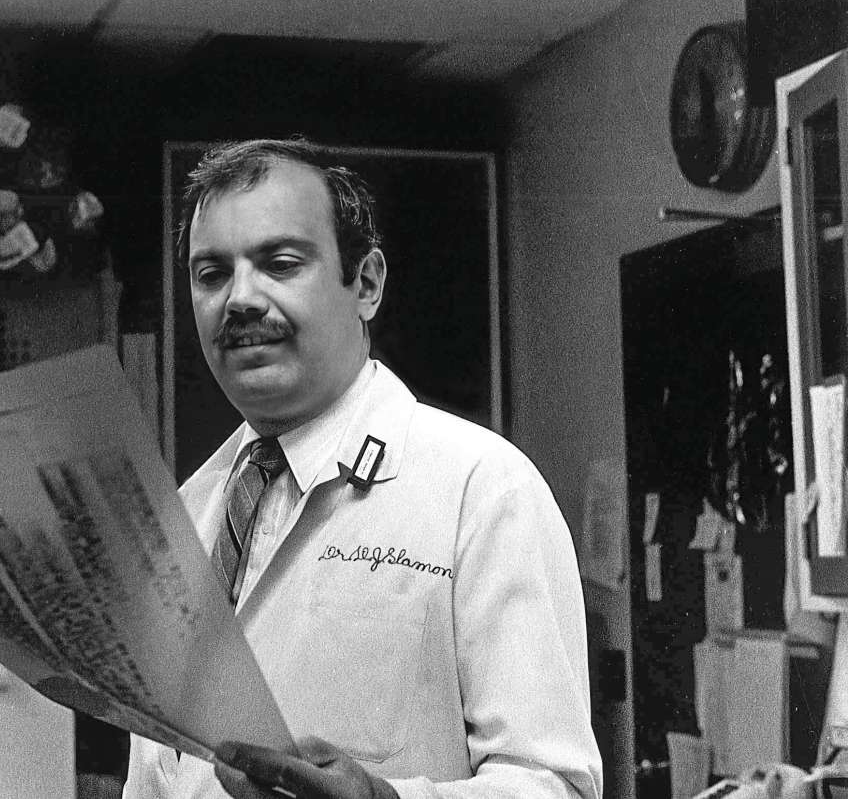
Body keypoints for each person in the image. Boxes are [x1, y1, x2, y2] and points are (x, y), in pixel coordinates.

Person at [123, 139, 602, 799]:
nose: (238, 298)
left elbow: (558, 786)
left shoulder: (484, 489)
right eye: (211, 273)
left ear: (367, 284)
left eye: (279, 263)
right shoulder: (186, 510)